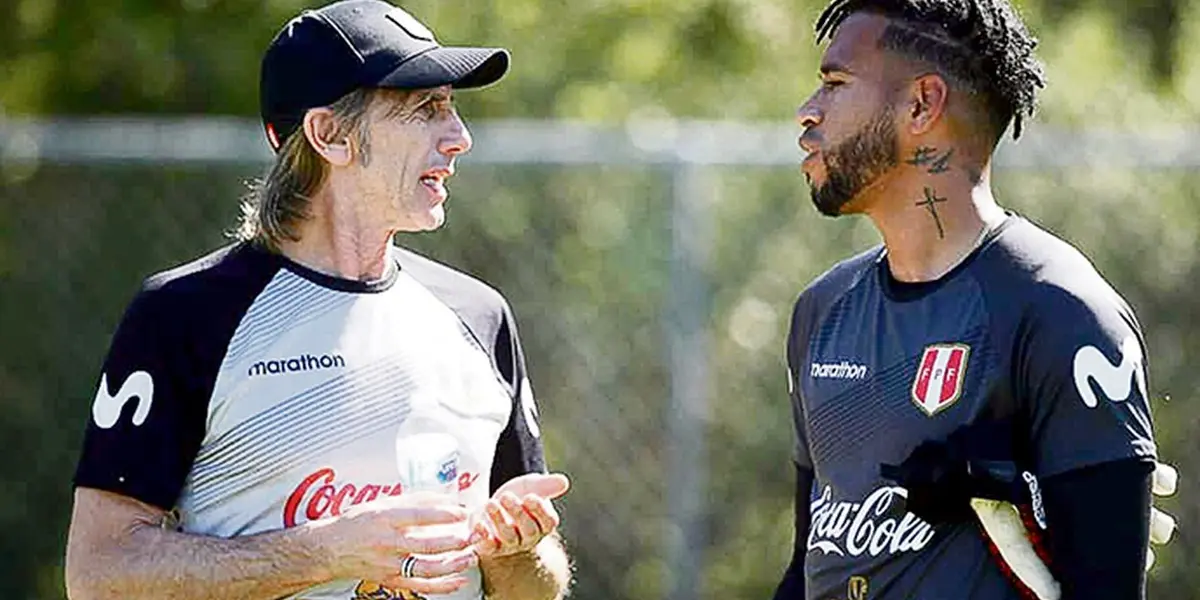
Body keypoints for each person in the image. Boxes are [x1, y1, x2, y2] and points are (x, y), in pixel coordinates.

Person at [63, 2, 571, 599]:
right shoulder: (185, 315)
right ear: (329, 134)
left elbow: (538, 588)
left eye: (452, 108)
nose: (459, 137)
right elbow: (99, 574)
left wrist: (517, 551)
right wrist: (325, 553)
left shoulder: (479, 316)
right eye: (425, 109)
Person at [774, 1, 1177, 599]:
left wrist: (1027, 499)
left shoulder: (1062, 310)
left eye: (835, 84)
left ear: (922, 104)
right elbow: (807, 571)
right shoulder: (822, 310)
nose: (808, 113)